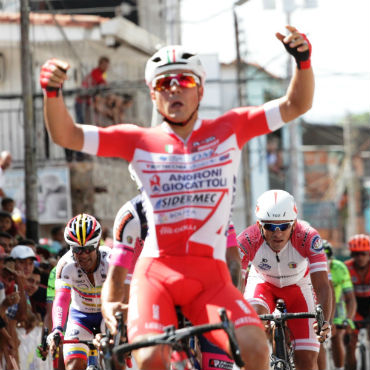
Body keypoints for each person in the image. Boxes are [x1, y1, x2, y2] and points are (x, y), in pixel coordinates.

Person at [40, 24, 314, 369]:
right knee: (151, 358)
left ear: (200, 89)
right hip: (157, 274)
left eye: (183, 81)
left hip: (210, 279)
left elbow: (296, 104)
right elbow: (67, 134)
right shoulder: (137, 140)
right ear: (153, 95)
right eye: (162, 84)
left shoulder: (230, 128)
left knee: (256, 349)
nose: (173, 89)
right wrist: (52, 92)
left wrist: (302, 61)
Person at [104, 194, 241, 369]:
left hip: (204, 288)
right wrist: (117, 321)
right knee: (151, 358)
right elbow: (121, 283)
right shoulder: (132, 216)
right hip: (158, 289)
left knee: (224, 360)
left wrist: (229, 303)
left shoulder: (212, 204)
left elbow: (233, 263)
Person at [237, 190, 332, 370]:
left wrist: (324, 321)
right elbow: (235, 282)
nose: (277, 233)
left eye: (284, 226)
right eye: (270, 226)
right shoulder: (247, 239)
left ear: (294, 224)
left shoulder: (308, 237)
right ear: (259, 225)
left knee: (307, 360)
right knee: (250, 333)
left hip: (299, 287)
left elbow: (322, 285)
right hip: (262, 284)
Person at [46, 214, 110, 370]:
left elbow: (125, 294)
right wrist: (57, 329)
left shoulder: (110, 260)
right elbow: (61, 298)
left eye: (88, 249)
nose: (83, 255)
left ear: (96, 246)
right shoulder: (66, 265)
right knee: (74, 365)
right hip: (81, 317)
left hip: (107, 316)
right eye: (77, 249)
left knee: (115, 360)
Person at [322, 240, 357, 370]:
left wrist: (348, 319)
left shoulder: (339, 268)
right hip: (317, 304)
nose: (324, 264)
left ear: (331, 259)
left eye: (327, 260)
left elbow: (350, 298)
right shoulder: (306, 267)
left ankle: (339, 367)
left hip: (336, 306)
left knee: (337, 337)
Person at [344, 234, 370, 370]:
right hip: (355, 306)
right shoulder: (346, 268)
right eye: (356, 254)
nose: (360, 257)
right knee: (350, 343)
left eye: (363, 254)